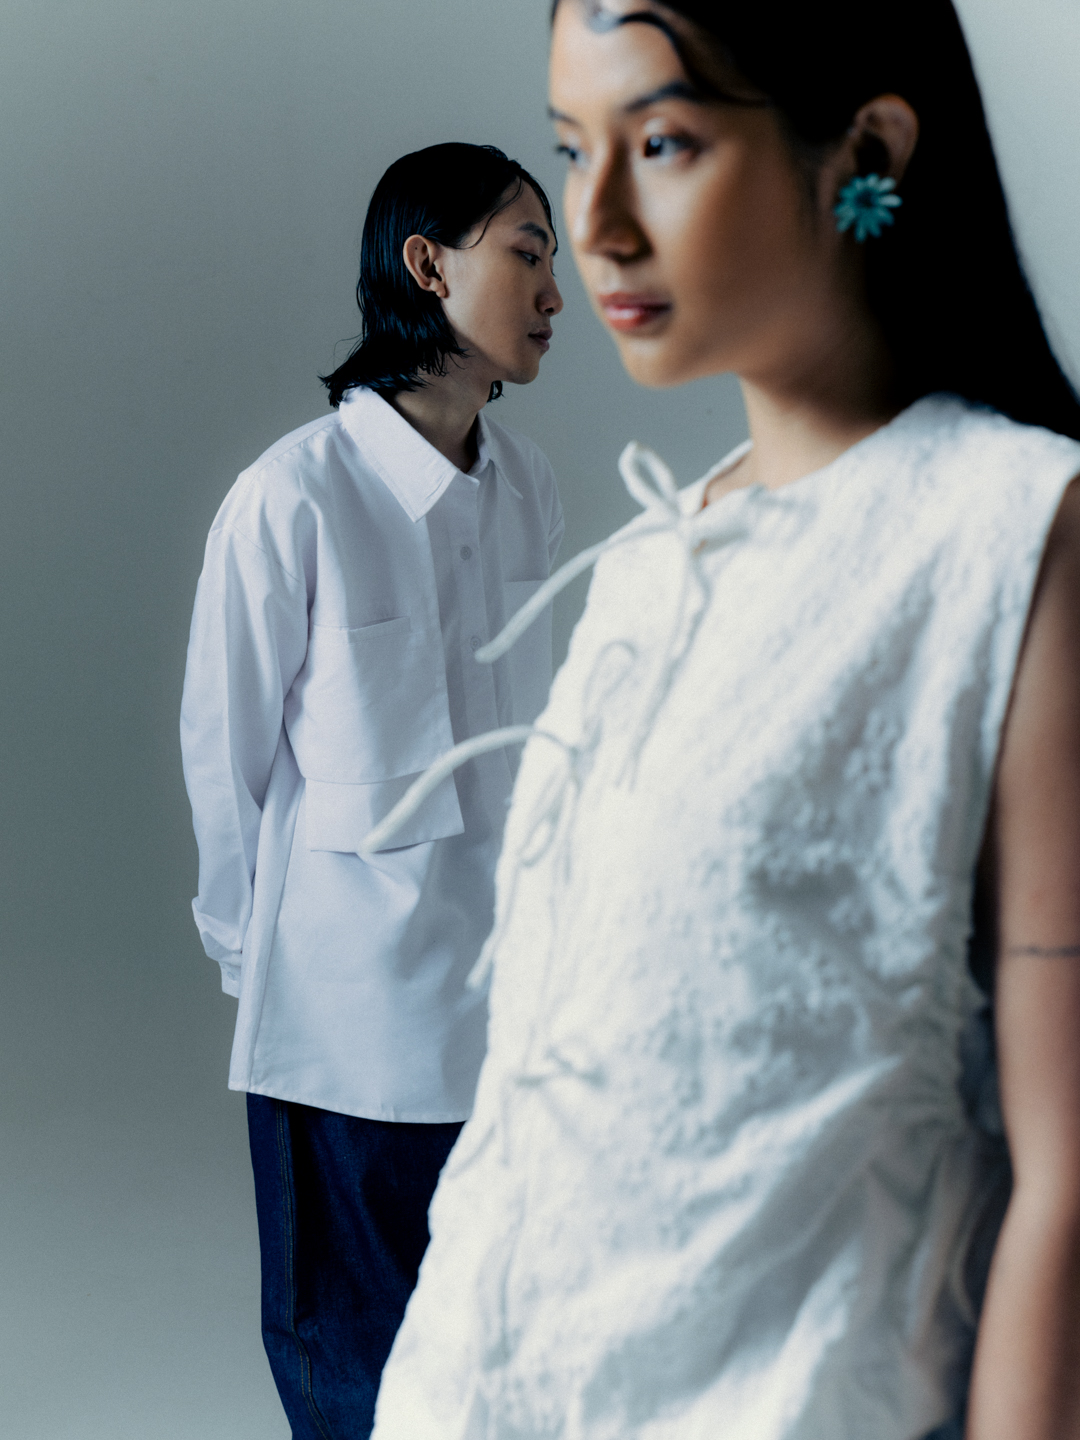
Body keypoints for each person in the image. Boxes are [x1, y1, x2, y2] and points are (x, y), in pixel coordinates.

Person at [369, 5, 1080, 1439]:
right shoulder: (648, 562)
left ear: (864, 154)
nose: (595, 227)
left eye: (664, 142)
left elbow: (1069, 1176)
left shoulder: (1011, 530)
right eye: (575, 150)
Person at [180, 142, 563, 1438]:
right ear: (427, 265)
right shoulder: (292, 497)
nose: (555, 293)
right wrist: (259, 969)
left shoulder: (527, 491)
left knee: (497, 1359)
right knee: (352, 1366)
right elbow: (224, 757)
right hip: (341, 1029)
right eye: (527, 252)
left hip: (500, 1021)